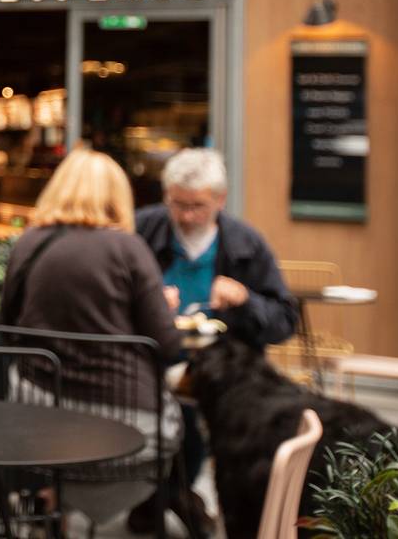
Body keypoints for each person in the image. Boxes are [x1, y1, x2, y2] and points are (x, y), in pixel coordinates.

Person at [0, 150, 187, 531]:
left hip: (39, 421)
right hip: (127, 430)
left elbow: (8, 326)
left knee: (62, 456)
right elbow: (168, 345)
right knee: (177, 429)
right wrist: (162, 308)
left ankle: (54, 501)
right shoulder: (128, 249)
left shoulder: (28, 244)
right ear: (119, 197)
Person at [133, 147, 298, 534]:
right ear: (165, 196)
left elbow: (284, 321)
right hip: (152, 359)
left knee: (198, 417)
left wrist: (245, 300)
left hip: (225, 371)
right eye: (178, 205)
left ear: (220, 201)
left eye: (198, 207)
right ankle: (172, 497)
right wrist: (148, 301)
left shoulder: (246, 244)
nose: (187, 216)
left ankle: (168, 497)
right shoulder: (142, 231)